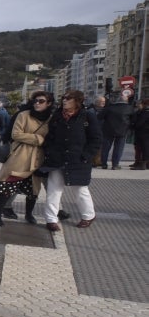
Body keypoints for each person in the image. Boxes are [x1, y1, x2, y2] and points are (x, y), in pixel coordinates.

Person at [0, 91, 53, 226]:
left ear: (49, 103)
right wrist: (39, 139)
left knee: (33, 189)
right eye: (35, 101)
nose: (37, 103)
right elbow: (16, 134)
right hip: (20, 156)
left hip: (38, 158)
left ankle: (29, 214)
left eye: (41, 101)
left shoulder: (51, 119)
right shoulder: (24, 115)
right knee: (8, 185)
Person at [40, 90, 102, 231]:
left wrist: (86, 155)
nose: (64, 100)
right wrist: (49, 151)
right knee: (54, 190)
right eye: (64, 98)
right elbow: (50, 137)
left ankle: (88, 216)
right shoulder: (57, 116)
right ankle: (51, 219)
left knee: (80, 189)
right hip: (57, 159)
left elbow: (96, 138)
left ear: (77, 101)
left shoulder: (87, 116)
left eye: (68, 98)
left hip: (78, 160)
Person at [99, 93, 134, 169]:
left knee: (105, 148)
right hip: (122, 131)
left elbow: (100, 117)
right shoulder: (129, 108)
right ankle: (115, 165)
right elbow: (133, 120)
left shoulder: (109, 107)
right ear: (126, 101)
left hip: (108, 130)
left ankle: (103, 164)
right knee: (118, 148)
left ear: (117, 100)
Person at [130, 97, 149, 170]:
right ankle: (145, 164)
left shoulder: (145, 112)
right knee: (145, 148)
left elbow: (140, 123)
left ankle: (143, 164)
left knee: (144, 148)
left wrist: (133, 126)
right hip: (146, 132)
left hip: (143, 132)